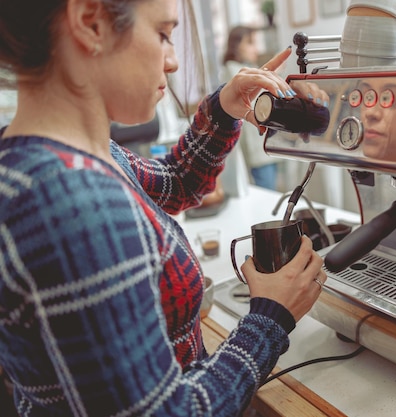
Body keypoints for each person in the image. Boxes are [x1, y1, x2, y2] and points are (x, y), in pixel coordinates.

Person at [0, 0, 329, 416]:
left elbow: (175, 184)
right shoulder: (72, 200)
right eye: (162, 34)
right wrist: (270, 317)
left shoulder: (67, 157)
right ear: (90, 24)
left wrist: (226, 108)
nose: (172, 62)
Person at [221, 25, 281, 190]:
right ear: (236, 45)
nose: (256, 48)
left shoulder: (246, 70)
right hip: (257, 149)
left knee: (271, 189)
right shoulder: (234, 72)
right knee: (267, 191)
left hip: (265, 145)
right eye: (250, 43)